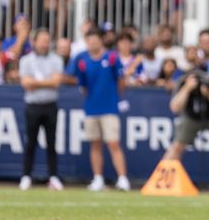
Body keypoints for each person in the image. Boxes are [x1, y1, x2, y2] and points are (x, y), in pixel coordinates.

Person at [65, 29, 129, 191]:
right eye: (89, 40)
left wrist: (112, 98)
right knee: (95, 145)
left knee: (113, 143)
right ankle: (98, 178)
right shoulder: (82, 60)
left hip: (109, 108)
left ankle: (122, 179)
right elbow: (83, 85)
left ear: (101, 41)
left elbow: (121, 81)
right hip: (91, 109)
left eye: (95, 40)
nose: (92, 43)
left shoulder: (112, 57)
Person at [18, 29, 64, 191]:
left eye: (47, 40)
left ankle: (53, 176)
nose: (44, 44)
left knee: (52, 143)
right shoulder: (26, 60)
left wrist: (37, 82)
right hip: (33, 105)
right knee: (30, 142)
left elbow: (56, 82)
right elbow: (26, 83)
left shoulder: (56, 59)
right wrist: (46, 81)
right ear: (34, 42)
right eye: (42, 40)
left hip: (50, 105)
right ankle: (26, 176)